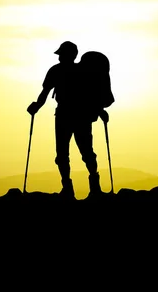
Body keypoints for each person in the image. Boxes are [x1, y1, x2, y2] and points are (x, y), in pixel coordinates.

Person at [27, 41, 103, 200]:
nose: (60, 57)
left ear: (70, 55)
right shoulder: (81, 71)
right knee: (76, 153)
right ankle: (89, 187)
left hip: (66, 116)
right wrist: (100, 110)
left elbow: (45, 93)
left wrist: (37, 106)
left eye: (61, 54)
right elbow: (92, 95)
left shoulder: (58, 71)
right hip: (79, 116)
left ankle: (71, 189)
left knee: (73, 153)